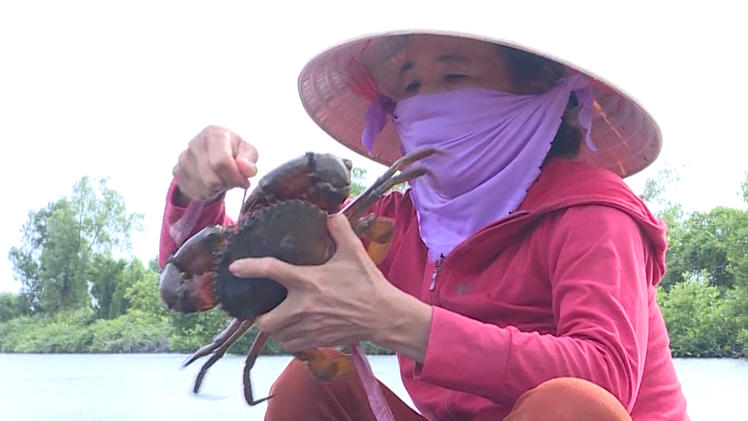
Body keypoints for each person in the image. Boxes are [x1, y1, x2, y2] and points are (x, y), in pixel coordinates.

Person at [159, 30, 690, 421]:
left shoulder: (594, 214)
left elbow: (605, 375)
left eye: (454, 77)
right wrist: (201, 191)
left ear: (539, 91)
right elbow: (243, 272)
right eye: (411, 85)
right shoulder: (399, 221)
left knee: (569, 406)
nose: (428, 102)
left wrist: (400, 322)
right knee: (309, 387)